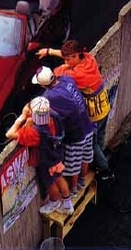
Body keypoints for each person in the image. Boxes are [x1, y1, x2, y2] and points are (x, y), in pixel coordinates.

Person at [36, 40, 114, 181]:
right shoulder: (89, 58)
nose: (66, 61)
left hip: (94, 114)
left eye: (68, 59)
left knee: (92, 145)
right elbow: (67, 57)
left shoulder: (76, 75)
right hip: (104, 105)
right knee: (100, 136)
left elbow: (58, 74)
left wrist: (56, 70)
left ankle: (105, 169)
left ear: (76, 56)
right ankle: (99, 161)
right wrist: (49, 51)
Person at [32, 66, 95, 197]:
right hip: (88, 124)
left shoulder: (49, 96)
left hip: (75, 135)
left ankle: (73, 190)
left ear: (43, 86)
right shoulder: (67, 80)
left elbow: (42, 110)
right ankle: (82, 182)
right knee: (86, 157)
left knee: (73, 165)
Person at [5, 96, 74, 215]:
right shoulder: (54, 117)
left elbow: (9, 134)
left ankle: (54, 201)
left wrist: (22, 117)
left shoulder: (35, 133)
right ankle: (67, 203)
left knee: (50, 183)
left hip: (47, 162)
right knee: (59, 177)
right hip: (57, 154)